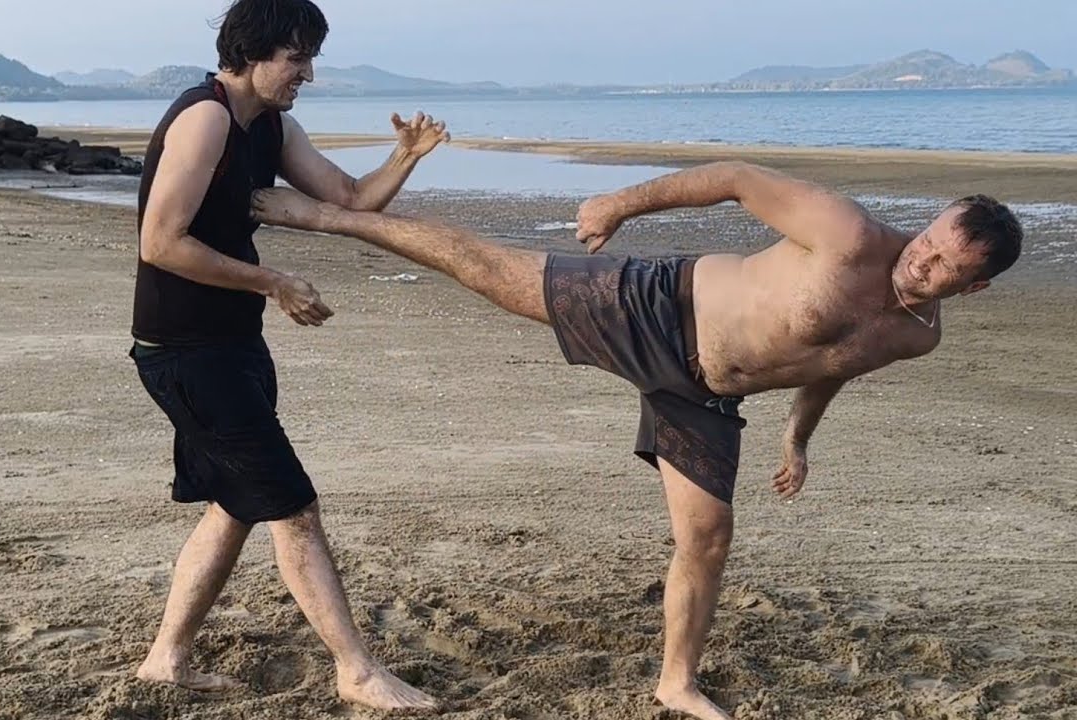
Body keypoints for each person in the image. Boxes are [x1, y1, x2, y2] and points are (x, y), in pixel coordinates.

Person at [249, 162, 1023, 720]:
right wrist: (621, 202)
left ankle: (675, 683)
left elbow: (832, 365)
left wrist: (798, 439)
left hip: (706, 397)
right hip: (652, 309)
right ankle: (328, 216)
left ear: (975, 286)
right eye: (927, 240)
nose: (920, 261)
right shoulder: (850, 234)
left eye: (944, 266)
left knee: (710, 537)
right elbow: (736, 177)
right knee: (484, 268)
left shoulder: (918, 337)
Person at [127, 0, 449, 710]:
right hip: (185, 353)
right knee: (293, 508)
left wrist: (405, 156)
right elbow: (160, 243)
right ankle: (356, 670)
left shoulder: (270, 126)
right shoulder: (205, 118)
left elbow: (351, 198)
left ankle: (165, 658)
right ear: (252, 50)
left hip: (231, 346)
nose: (306, 73)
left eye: (310, 59)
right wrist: (272, 280)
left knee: (235, 504)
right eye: (296, 58)